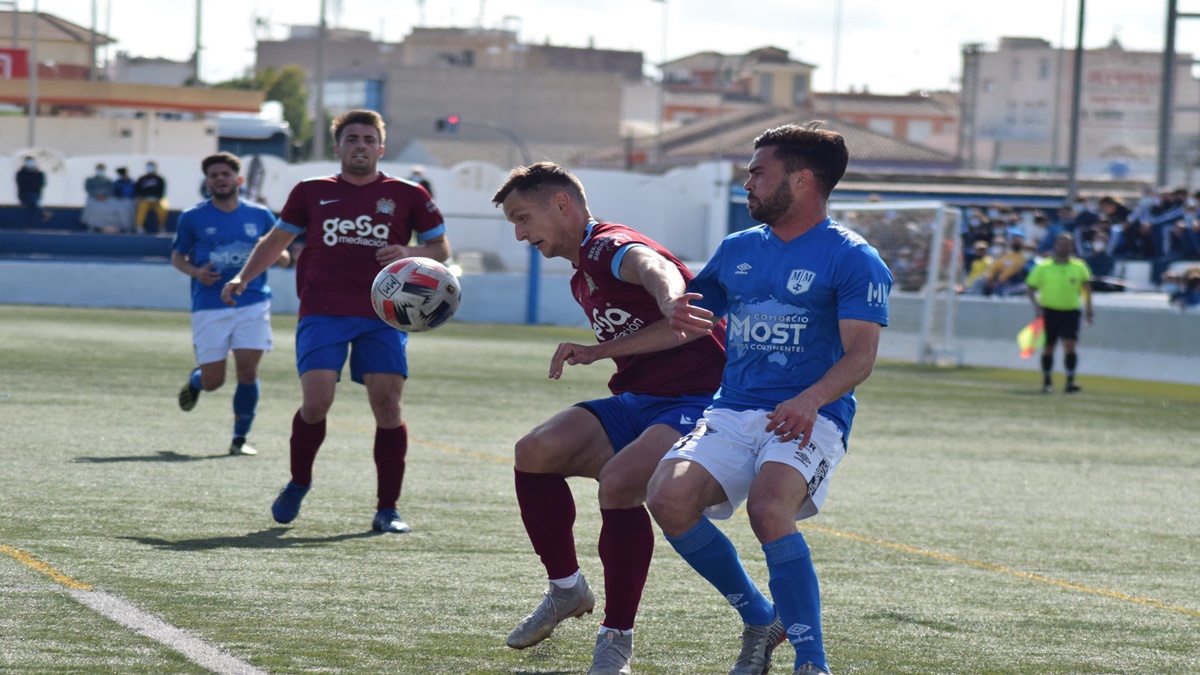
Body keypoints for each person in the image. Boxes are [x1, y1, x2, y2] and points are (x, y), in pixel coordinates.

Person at [643, 122, 892, 675]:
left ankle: (811, 662)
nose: (747, 184)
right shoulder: (737, 249)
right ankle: (761, 615)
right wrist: (604, 347)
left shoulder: (854, 258)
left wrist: (809, 400)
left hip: (813, 414)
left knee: (768, 508)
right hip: (732, 409)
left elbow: (861, 357)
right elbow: (689, 320)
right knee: (666, 498)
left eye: (758, 172)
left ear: (801, 180)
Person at [490, 162, 727, 674]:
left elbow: (648, 264)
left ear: (562, 205)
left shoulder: (606, 245)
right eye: (513, 223)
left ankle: (617, 636)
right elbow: (664, 328)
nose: (520, 233)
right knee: (534, 452)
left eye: (523, 217)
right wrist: (609, 349)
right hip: (641, 399)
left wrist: (669, 297)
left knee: (619, 485)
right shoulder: (582, 275)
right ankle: (566, 589)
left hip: (698, 400)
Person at [221, 109, 449, 534]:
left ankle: (387, 508)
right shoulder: (310, 191)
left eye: (367, 139)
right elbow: (277, 241)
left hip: (383, 314)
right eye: (351, 139)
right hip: (323, 308)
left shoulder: (409, 194)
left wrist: (409, 253)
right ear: (339, 147)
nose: (359, 145)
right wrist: (242, 276)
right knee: (316, 402)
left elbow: (441, 249)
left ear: (380, 148)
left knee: (387, 406)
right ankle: (299, 480)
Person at [172, 152, 287, 456]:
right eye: (213, 176)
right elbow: (177, 257)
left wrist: (284, 257)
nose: (219, 180)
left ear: (238, 179)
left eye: (225, 174)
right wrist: (196, 272)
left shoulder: (260, 214)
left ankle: (239, 437)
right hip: (209, 306)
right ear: (207, 182)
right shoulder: (192, 217)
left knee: (248, 371)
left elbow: (278, 249)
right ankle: (197, 382)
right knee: (215, 381)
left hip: (252, 302)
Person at [1026, 232, 1093, 394]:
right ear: (1055, 245)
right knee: (1049, 347)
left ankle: (1070, 380)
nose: (1064, 247)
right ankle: (1047, 381)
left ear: (1072, 246)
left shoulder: (1079, 266)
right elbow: (1030, 287)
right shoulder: (1044, 266)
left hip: (1070, 311)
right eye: (1061, 244)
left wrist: (1089, 309)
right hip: (1049, 311)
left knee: (1070, 345)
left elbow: (1086, 288)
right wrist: (1036, 306)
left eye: (1067, 244)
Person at [134, 160, 168, 234]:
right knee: (142, 209)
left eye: (151, 167)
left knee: (163, 209)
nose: (150, 168)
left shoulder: (159, 179)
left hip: (156, 200)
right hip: (145, 199)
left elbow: (162, 191)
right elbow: (137, 190)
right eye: (149, 167)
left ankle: (161, 226)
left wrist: (159, 199)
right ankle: (139, 227)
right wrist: (138, 198)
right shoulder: (142, 178)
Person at [15, 155, 50, 226]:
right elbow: (23, 185)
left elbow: (41, 183)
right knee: (32, 201)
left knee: (32, 204)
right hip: (24, 195)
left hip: (36, 195)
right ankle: (42, 214)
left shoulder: (38, 173)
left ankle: (29, 224)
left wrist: (32, 185)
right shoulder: (21, 173)